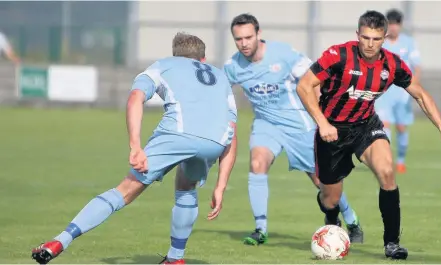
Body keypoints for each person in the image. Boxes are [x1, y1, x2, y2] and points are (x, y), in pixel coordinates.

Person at [31, 32, 238, 265]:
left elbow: (135, 98)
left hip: (177, 134)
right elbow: (232, 131)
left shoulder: (163, 65)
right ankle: (175, 259)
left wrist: (135, 146)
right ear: (203, 59)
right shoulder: (220, 77)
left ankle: (60, 240)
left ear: (176, 54)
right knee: (186, 185)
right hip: (215, 142)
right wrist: (220, 186)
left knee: (125, 190)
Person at [296, 10, 441, 260]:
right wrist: (322, 123)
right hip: (332, 130)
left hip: (365, 126)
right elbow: (304, 85)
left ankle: (391, 243)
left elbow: (421, 95)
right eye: (365, 38)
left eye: (376, 39)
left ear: (385, 38)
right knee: (331, 197)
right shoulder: (338, 55)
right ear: (357, 35)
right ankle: (331, 217)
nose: (370, 44)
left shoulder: (392, 64)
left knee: (386, 171)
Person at [223, 13, 363, 246]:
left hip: (299, 126)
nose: (244, 43)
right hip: (266, 124)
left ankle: (351, 220)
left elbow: (314, 81)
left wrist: (324, 118)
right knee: (257, 164)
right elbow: (220, 92)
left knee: (323, 181)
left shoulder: (284, 55)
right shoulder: (232, 66)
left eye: (248, 37)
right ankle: (260, 229)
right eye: (238, 39)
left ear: (259, 34)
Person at [374, 9, 422, 173]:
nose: (393, 28)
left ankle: (400, 160)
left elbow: (417, 66)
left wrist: (414, 88)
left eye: (396, 24)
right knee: (384, 125)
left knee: (401, 127)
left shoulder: (408, 43)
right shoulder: (381, 42)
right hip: (384, 92)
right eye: (391, 24)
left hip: (402, 93)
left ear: (400, 26)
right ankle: (386, 160)